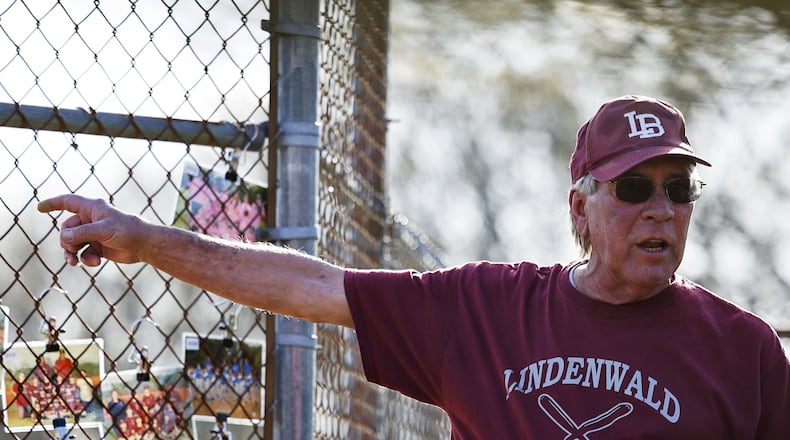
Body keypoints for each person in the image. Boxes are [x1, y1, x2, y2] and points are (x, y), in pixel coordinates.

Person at [38, 95, 790, 438]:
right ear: (580, 210)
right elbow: (311, 286)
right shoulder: (490, 308)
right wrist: (148, 242)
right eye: (633, 188)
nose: (661, 208)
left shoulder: (745, 350)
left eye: (678, 189)